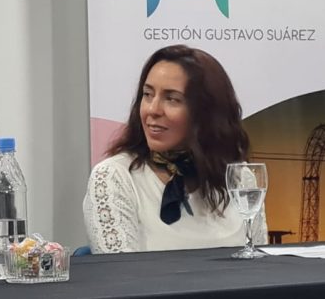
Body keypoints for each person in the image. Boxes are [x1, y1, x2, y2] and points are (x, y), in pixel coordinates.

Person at [83, 45, 267, 253]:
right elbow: (121, 272)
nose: (152, 110)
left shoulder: (240, 177)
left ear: (206, 113)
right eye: (147, 94)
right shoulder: (114, 177)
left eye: (172, 99)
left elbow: (261, 262)